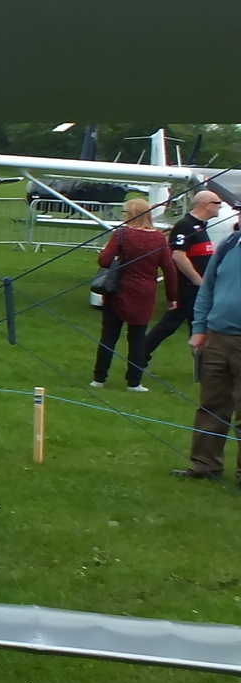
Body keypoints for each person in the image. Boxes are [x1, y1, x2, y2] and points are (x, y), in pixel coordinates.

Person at [177, 221, 241, 480]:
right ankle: (205, 465)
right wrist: (199, 328)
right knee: (211, 405)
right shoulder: (229, 244)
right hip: (216, 337)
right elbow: (207, 290)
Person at [91, 197, 176, 391]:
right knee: (137, 338)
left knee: (109, 336)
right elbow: (170, 270)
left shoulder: (121, 234)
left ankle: (99, 378)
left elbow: (104, 260)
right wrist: (172, 297)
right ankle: (134, 382)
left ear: (129, 215)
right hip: (145, 293)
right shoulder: (159, 238)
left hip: (118, 289)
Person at [144, 189, 223, 359]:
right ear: (207, 205)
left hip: (197, 288)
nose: (220, 207)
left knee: (199, 327)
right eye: (218, 203)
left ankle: (203, 367)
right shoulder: (186, 225)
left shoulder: (201, 226)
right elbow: (178, 255)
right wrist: (199, 281)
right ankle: (140, 355)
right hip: (187, 287)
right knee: (169, 324)